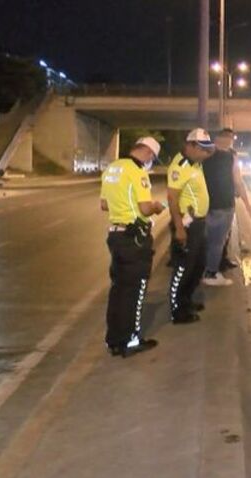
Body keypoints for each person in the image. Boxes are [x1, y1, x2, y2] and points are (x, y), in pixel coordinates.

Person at [100, 136, 165, 357]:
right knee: (135, 291)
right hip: (134, 238)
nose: (150, 162)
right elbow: (145, 209)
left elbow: (104, 204)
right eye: (152, 158)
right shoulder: (138, 172)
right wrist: (157, 206)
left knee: (118, 289)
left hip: (116, 235)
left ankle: (114, 339)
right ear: (148, 153)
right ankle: (130, 340)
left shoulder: (112, 168)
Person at [167, 128, 215, 323]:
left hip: (199, 223)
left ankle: (186, 300)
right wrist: (179, 228)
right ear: (190, 145)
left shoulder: (196, 163)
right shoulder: (180, 166)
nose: (205, 153)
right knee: (183, 268)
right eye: (202, 149)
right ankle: (177, 310)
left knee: (198, 264)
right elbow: (172, 198)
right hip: (186, 225)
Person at [201, 128, 251, 286]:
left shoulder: (205, 154)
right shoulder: (230, 157)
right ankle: (211, 273)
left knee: (208, 240)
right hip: (223, 204)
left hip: (206, 204)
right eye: (229, 138)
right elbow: (238, 181)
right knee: (217, 242)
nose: (230, 141)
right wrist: (247, 204)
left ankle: (206, 269)